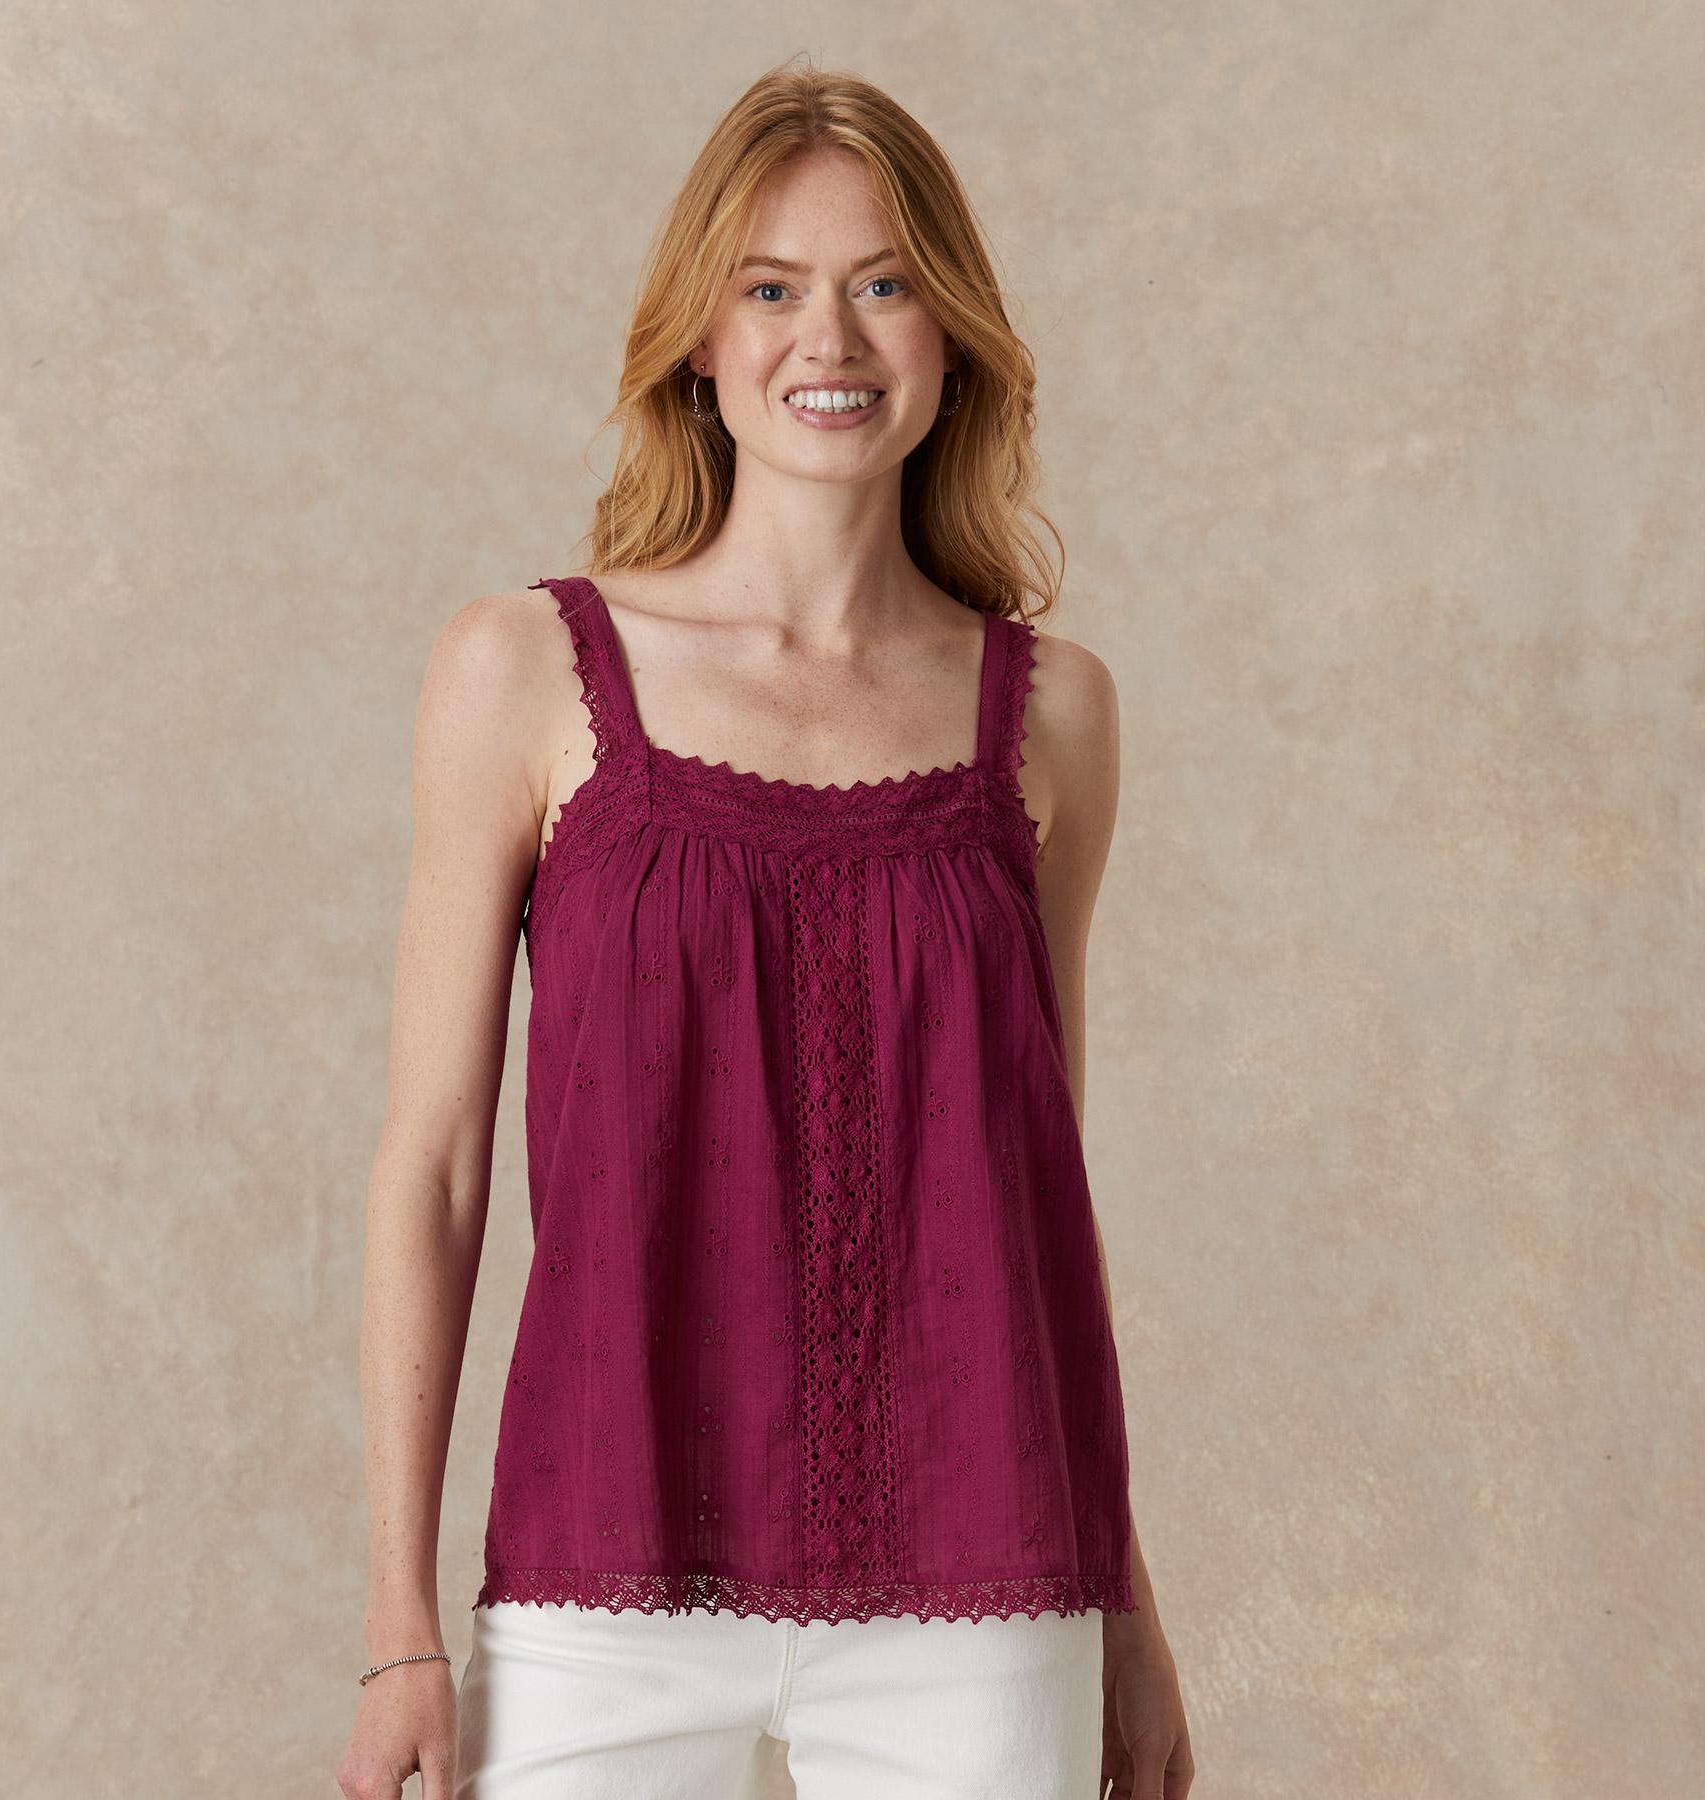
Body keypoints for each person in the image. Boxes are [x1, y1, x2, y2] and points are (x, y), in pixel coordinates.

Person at [336, 57, 1194, 1800]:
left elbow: (1037, 1194)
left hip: (986, 1588)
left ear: (952, 337)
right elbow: (434, 1168)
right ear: (701, 341)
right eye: (774, 288)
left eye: (885, 285)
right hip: (604, 1567)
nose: (833, 340)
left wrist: (1126, 1603)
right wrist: (399, 1621)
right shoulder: (522, 674)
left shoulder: (1055, 714)